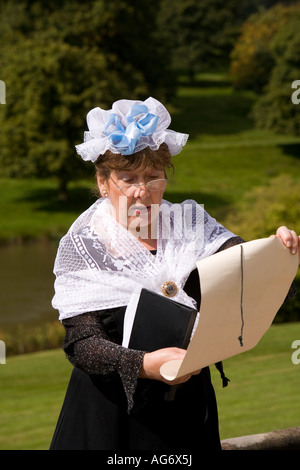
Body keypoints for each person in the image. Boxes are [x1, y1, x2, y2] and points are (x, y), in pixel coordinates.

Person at [50, 97, 300, 451]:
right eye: (128, 178)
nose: (142, 191)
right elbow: (82, 345)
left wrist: (280, 253)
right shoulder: (84, 246)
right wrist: (144, 364)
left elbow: (252, 279)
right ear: (103, 181)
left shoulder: (192, 225)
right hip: (111, 414)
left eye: (153, 177)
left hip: (185, 406)